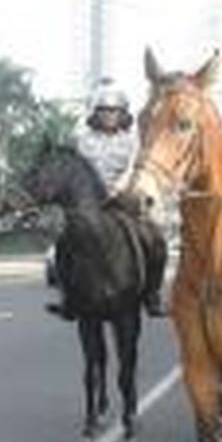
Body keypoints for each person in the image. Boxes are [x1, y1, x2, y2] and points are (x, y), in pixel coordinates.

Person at [46, 80, 167, 319]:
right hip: (89, 202)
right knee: (63, 242)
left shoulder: (133, 140)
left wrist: (119, 188)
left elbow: (135, 167)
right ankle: (69, 297)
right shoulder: (82, 139)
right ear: (95, 114)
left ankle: (152, 295)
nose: (109, 115)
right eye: (103, 111)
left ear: (122, 114)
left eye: (113, 111)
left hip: (122, 199)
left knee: (154, 239)